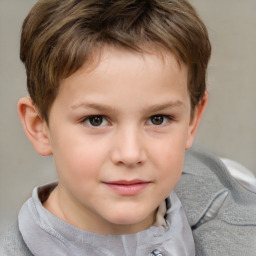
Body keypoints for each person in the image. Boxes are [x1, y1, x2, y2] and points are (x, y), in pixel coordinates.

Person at [1, 0, 255, 255]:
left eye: (158, 119)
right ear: (39, 127)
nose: (130, 154)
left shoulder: (242, 214)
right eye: (96, 120)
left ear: (191, 121)